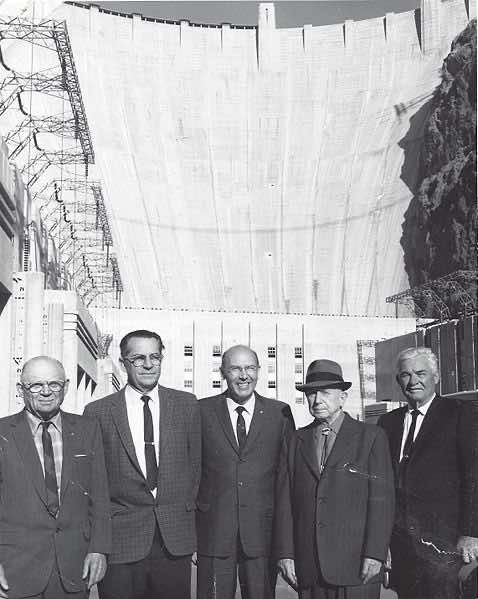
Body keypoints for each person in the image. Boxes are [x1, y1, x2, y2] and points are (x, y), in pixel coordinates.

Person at [84, 330, 201, 599]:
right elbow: (95, 483)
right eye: (138, 358)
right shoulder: (98, 412)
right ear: (123, 362)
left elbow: (196, 469)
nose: (148, 365)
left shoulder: (186, 405)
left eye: (154, 357)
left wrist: (192, 531)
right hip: (121, 542)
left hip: (174, 540)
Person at [275, 359, 395, 599]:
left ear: (343, 397)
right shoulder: (295, 440)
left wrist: (375, 553)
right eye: (311, 393)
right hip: (309, 565)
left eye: (325, 393)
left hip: (357, 565)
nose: (317, 400)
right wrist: (285, 554)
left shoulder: (371, 437)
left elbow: (382, 502)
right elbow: (284, 501)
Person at [0, 356, 111, 599]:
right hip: (15, 569)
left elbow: (100, 495)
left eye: (54, 384)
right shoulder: (2, 432)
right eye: (36, 385)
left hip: (74, 567)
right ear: (20, 389)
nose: (46, 392)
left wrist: (99, 549)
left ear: (66, 387)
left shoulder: (88, 429)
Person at [378, 346, 478, 599]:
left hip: (446, 544)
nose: (413, 381)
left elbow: (474, 476)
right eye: (406, 375)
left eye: (420, 373)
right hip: (402, 545)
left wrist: (471, 533)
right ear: (398, 380)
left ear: (436, 377)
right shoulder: (387, 423)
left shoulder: (461, 413)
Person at [196, 344, 295, 599]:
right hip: (214, 533)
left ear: (259, 371)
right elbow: (191, 473)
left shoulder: (280, 413)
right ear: (222, 373)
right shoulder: (201, 411)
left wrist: (285, 543)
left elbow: (285, 481)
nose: (243, 376)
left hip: (262, 536)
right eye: (235, 369)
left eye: (250, 368)